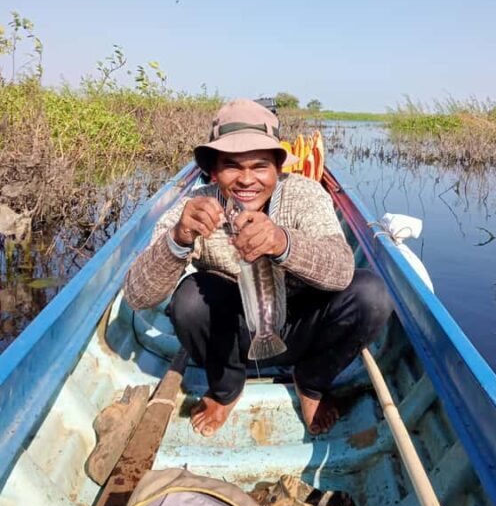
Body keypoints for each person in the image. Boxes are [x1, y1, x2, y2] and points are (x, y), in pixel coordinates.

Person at [124, 99, 392, 437]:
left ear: (278, 167)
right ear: (214, 170)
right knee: (190, 300)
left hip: (299, 332)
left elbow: (340, 270)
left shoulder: (305, 196)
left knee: (372, 294)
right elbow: (138, 295)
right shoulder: (195, 207)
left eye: (260, 166)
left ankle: (311, 382)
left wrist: (283, 243)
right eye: (232, 166)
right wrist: (179, 238)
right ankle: (226, 389)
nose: (246, 180)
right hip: (232, 341)